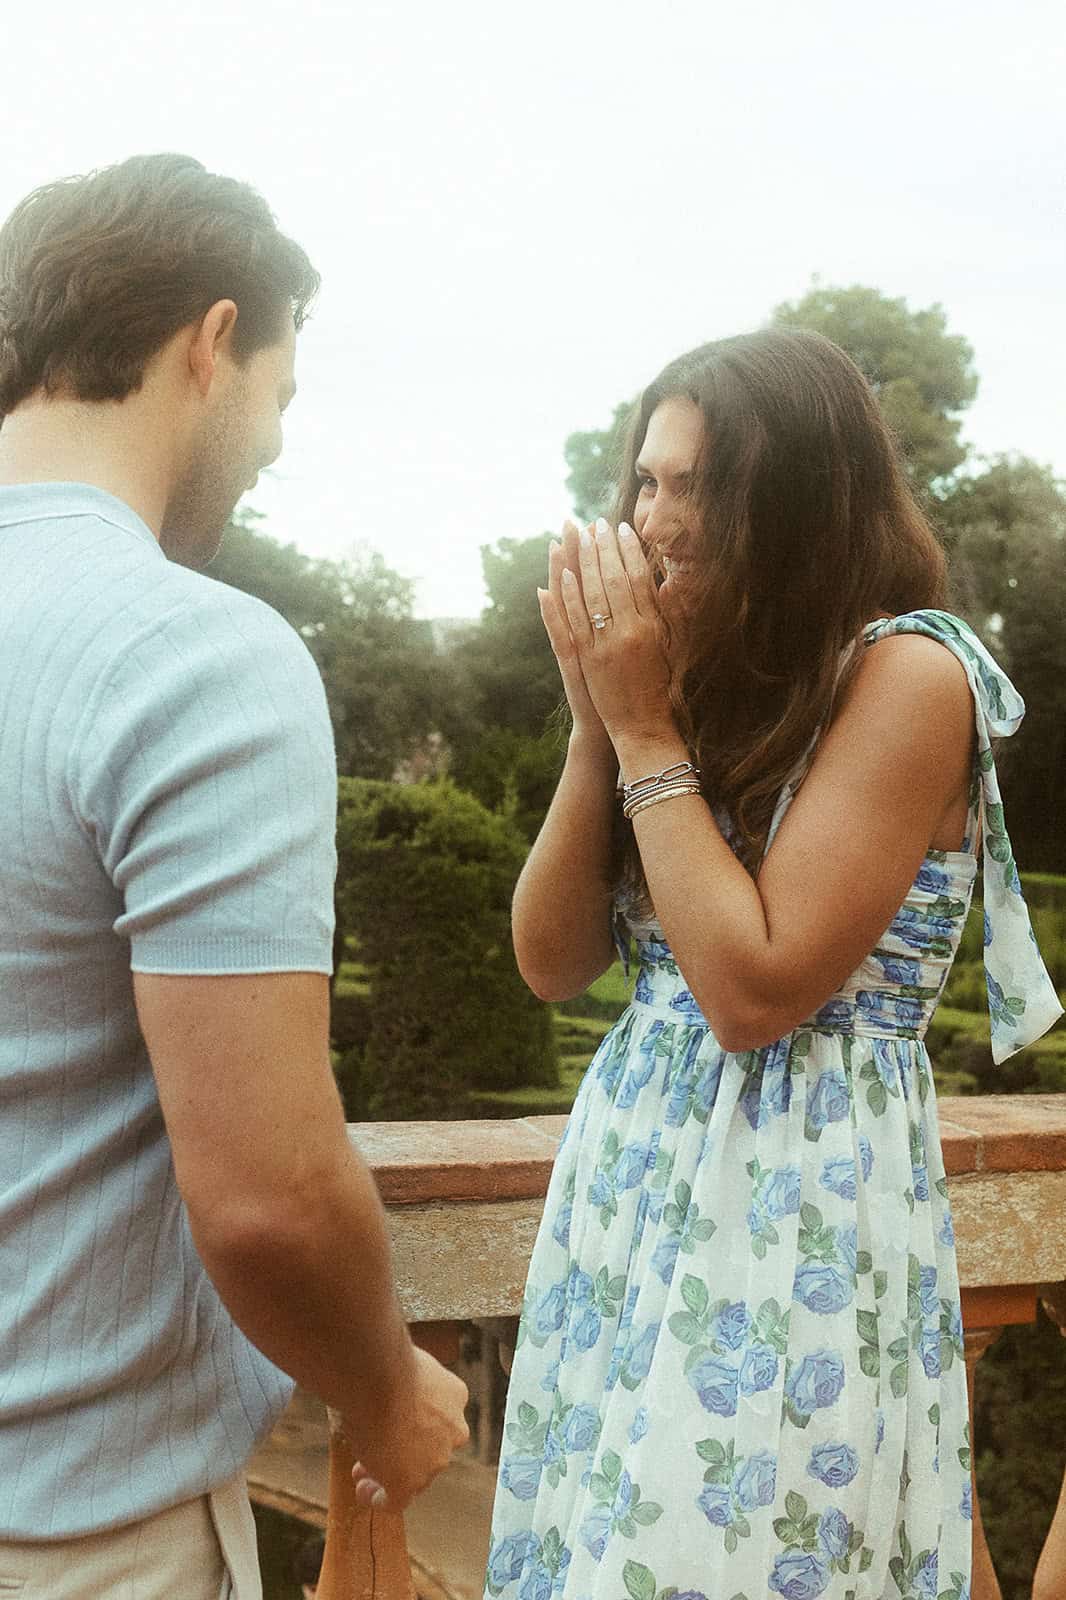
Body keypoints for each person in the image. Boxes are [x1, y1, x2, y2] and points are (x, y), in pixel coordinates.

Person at [484, 329, 1063, 1600]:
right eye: (644, 482)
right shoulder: (696, 686)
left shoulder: (911, 674)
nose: (654, 517)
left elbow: (754, 991)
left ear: (795, 497)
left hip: (793, 1208)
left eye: (693, 484)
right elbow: (552, 959)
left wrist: (640, 726)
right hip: (634, 1196)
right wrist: (597, 721)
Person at [0, 153, 468, 1599]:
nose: (271, 443)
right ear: (211, 344)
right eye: (280, 393)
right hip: (74, 1532)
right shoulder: (194, 655)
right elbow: (266, 1192)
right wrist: (391, 1397)